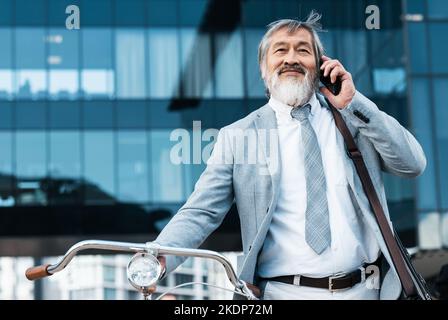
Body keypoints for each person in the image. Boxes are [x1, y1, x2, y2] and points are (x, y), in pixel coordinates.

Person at [152, 11, 426, 300]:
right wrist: (159, 256)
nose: (291, 58)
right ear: (263, 67)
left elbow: (413, 164)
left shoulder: (353, 118)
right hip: (280, 294)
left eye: (303, 50)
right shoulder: (238, 136)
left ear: (321, 65)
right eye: (280, 50)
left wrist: (354, 102)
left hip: (366, 290)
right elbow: (202, 211)